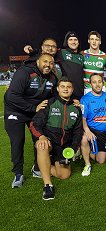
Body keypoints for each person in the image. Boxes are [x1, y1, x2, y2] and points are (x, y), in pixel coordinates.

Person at [4, 53, 58, 188]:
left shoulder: (52, 78)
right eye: (45, 62)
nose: (48, 65)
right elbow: (12, 96)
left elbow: (54, 96)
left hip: (35, 112)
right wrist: (33, 108)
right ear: (38, 62)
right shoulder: (24, 73)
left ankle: (37, 168)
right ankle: (18, 173)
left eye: (51, 63)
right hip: (15, 111)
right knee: (18, 140)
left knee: (39, 139)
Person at [29, 77, 83, 200]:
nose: (65, 89)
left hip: (63, 147)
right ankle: (48, 186)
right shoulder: (49, 103)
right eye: (63, 86)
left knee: (64, 175)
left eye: (68, 87)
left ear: (72, 89)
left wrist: (74, 148)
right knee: (42, 145)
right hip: (49, 141)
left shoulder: (76, 108)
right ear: (58, 89)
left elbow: (78, 132)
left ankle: (39, 166)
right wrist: (41, 137)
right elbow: (34, 124)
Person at [80, 74, 106, 176]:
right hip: (92, 130)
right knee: (84, 139)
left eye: (99, 82)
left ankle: (86, 149)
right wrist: (87, 131)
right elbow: (83, 119)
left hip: (105, 132)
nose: (97, 85)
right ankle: (87, 163)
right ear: (90, 84)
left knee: (100, 160)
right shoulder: (85, 99)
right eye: (94, 82)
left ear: (103, 83)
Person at [55, 31, 84, 99]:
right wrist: (32, 51)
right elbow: (46, 53)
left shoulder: (81, 56)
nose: (73, 42)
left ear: (78, 42)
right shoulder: (61, 52)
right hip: (66, 93)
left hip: (80, 93)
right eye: (70, 40)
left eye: (75, 40)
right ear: (66, 42)